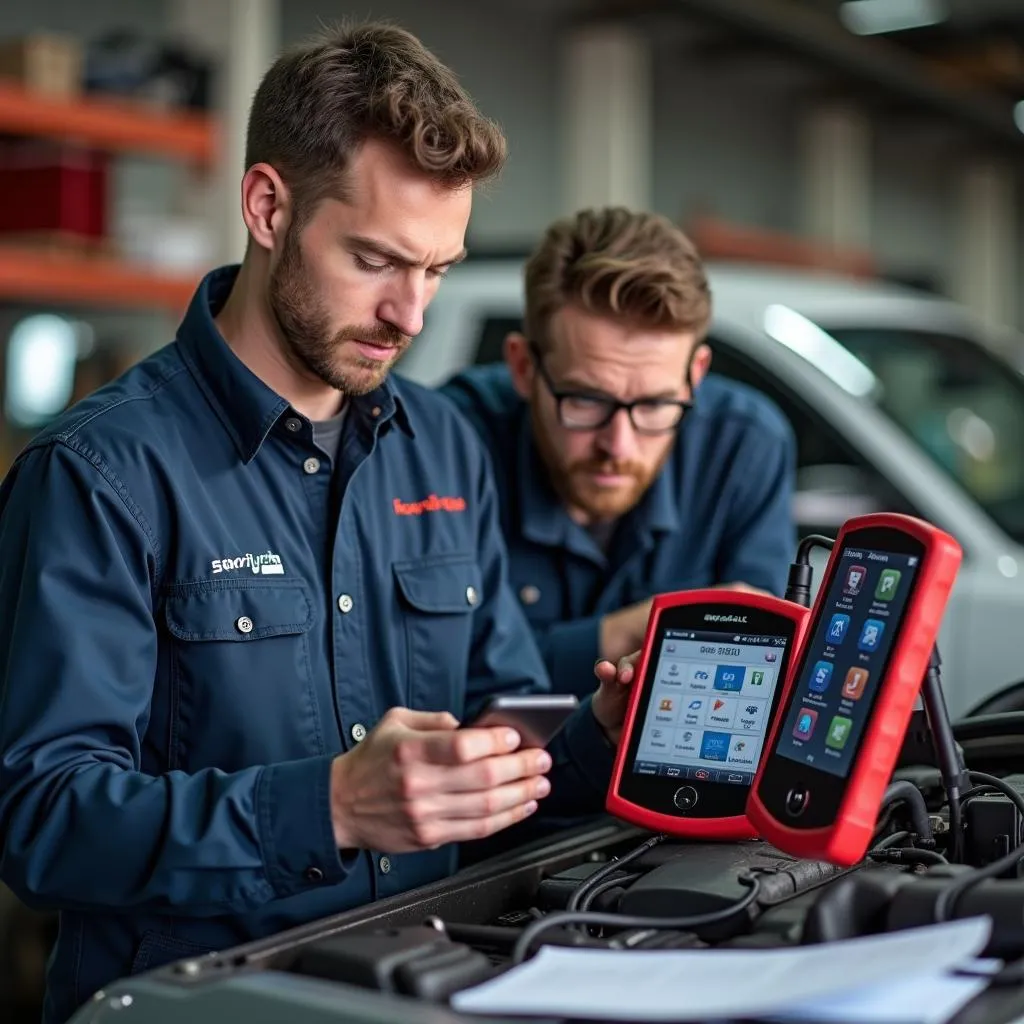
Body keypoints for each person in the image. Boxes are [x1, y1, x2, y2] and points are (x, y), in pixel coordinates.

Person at [0, 25, 630, 1024]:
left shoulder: (444, 448)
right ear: (267, 206)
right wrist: (330, 804)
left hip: (424, 986)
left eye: (435, 268)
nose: (410, 313)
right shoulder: (102, 474)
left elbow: (497, 728)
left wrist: (597, 730)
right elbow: (42, 820)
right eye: (375, 259)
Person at [441, 208, 797, 698]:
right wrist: (633, 633)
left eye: (655, 404)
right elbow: (434, 675)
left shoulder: (744, 446)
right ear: (523, 368)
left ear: (695, 374)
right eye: (586, 400)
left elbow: (754, 684)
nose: (618, 445)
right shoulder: (448, 442)